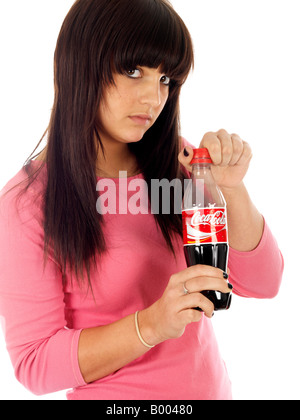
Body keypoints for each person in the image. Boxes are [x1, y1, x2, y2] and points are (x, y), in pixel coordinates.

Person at [0, 0, 283, 400]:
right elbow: (34, 364)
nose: (154, 97)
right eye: (133, 71)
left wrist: (232, 191)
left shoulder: (180, 167)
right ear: (80, 65)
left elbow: (263, 283)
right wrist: (149, 326)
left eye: (166, 78)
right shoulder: (27, 204)